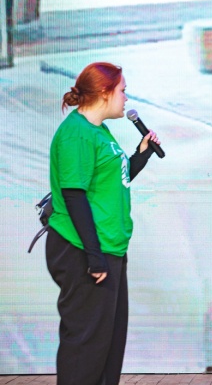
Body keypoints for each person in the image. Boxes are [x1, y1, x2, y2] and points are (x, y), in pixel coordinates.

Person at [46, 62, 160, 385]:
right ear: (104, 92)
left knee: (107, 344)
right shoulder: (76, 133)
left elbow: (114, 181)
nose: (126, 98)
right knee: (86, 345)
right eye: (122, 91)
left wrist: (141, 154)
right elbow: (74, 196)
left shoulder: (99, 131)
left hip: (108, 249)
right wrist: (94, 257)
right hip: (83, 251)